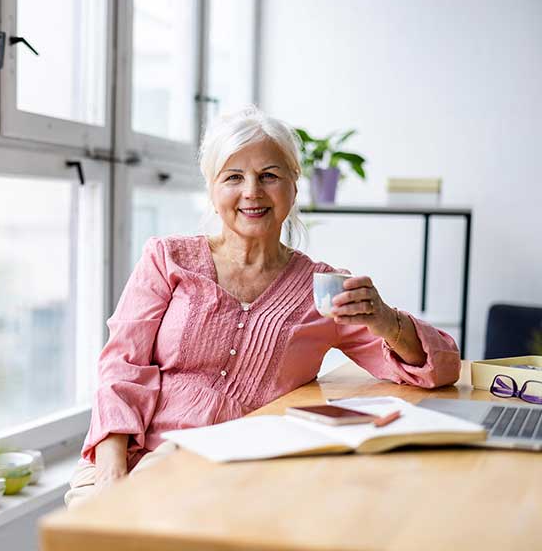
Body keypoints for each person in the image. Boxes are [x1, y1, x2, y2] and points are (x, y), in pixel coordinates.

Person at [64, 106, 461, 508]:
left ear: (293, 184)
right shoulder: (167, 259)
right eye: (233, 177)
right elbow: (121, 368)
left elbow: (441, 369)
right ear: (212, 188)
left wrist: (386, 320)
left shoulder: (322, 290)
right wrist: (111, 478)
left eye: (269, 176)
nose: (252, 191)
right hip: (124, 459)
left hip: (235, 477)